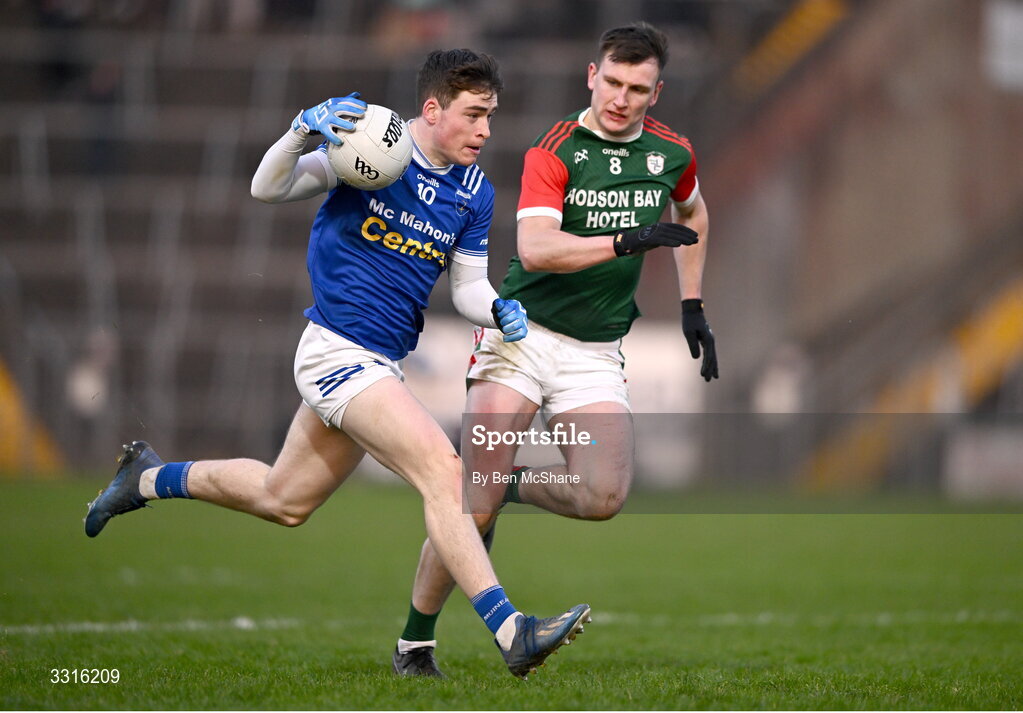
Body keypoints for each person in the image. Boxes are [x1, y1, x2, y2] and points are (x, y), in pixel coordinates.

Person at [84, 48, 590, 680]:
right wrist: (300, 132)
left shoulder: (474, 193)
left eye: (491, 115)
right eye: (474, 115)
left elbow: (467, 288)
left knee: (284, 499)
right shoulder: (372, 147)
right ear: (431, 110)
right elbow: (265, 187)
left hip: (380, 363)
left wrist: (497, 310)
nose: (486, 130)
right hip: (335, 352)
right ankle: (511, 630)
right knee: (445, 470)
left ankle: (146, 479)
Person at [391, 23, 718, 678]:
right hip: (521, 334)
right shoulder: (555, 149)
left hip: (594, 350)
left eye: (637, 88)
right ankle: (414, 643)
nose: (621, 98)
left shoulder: (672, 153)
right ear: (591, 76)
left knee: (601, 497)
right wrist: (626, 241)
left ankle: (507, 483)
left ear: (657, 92)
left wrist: (691, 304)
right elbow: (537, 249)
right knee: (470, 500)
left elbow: (695, 216)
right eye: (612, 82)